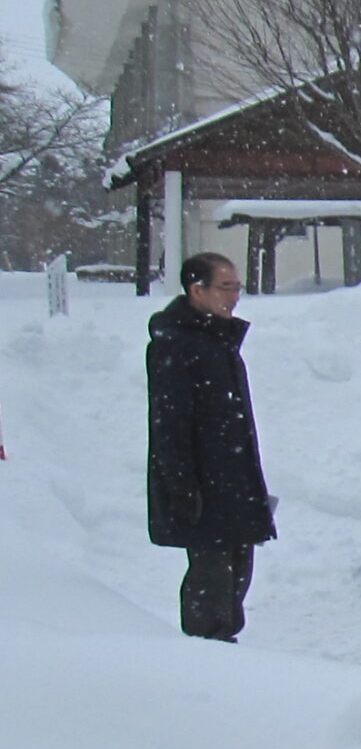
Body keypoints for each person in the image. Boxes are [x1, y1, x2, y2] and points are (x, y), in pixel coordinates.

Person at [146, 253, 275, 642]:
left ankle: (226, 648)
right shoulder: (176, 344)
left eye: (237, 287)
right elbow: (170, 427)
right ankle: (207, 655)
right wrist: (183, 489)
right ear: (196, 289)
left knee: (237, 572)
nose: (234, 296)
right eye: (226, 287)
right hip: (205, 487)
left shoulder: (218, 340)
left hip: (232, 481)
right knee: (212, 580)